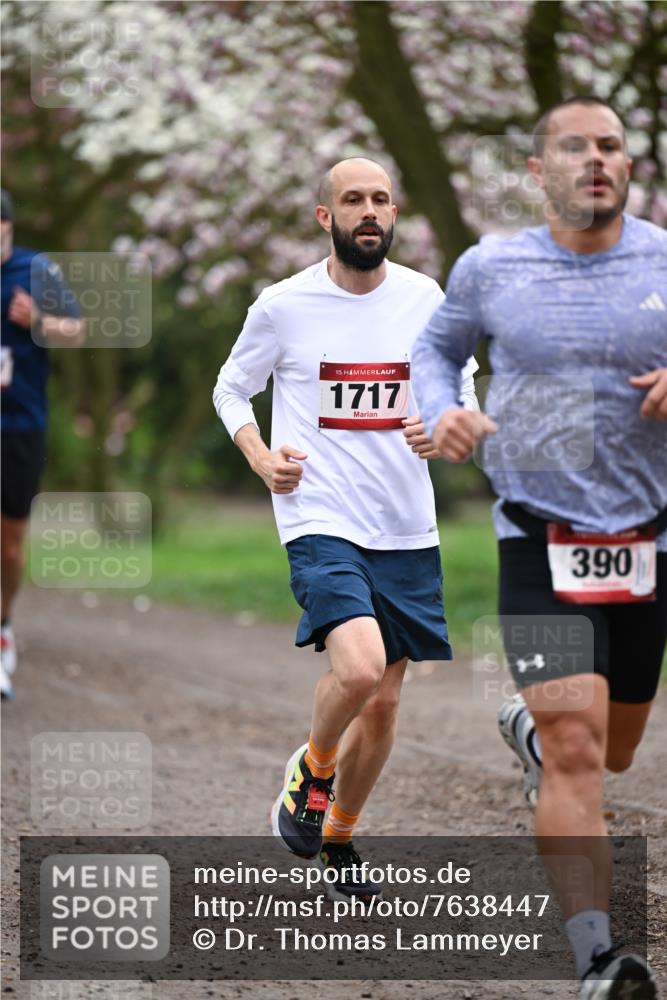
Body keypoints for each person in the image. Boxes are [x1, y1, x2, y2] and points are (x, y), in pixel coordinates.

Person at [412, 97, 665, 998]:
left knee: (617, 750)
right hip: (535, 535)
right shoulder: (492, 267)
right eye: (575, 146)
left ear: (626, 166)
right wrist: (440, 407)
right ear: (537, 171)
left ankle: (522, 727)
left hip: (645, 541)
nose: (596, 158)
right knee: (574, 752)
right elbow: (435, 352)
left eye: (610, 145)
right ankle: (596, 961)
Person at [213, 157, 478, 898]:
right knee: (358, 669)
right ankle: (313, 768)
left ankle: (337, 838)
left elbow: (458, 377)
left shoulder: (425, 298)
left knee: (387, 700)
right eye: (353, 200)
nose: (369, 211)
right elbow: (232, 387)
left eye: (381, 200)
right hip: (319, 513)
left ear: (394, 216)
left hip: (405, 522)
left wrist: (442, 417)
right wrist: (263, 458)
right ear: (324, 217)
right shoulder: (283, 305)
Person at [1, 189, 85, 699]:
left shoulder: (36, 270)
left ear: (8, 227)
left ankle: (3, 626)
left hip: (19, 426)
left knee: (9, 541)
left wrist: (38, 323)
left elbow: (76, 330)